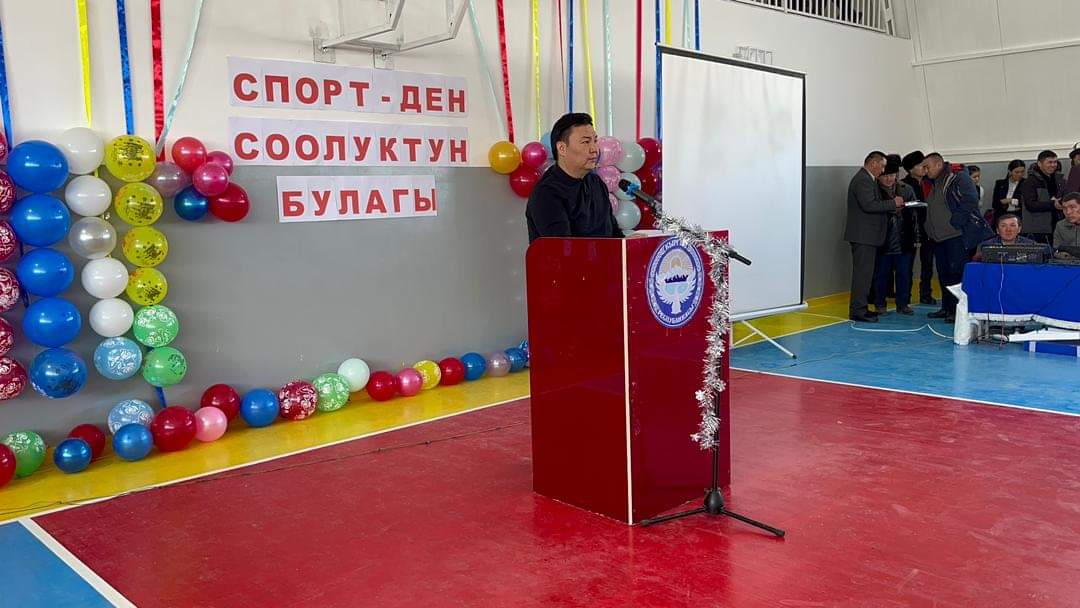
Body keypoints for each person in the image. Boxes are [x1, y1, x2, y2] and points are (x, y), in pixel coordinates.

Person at [526, 113, 623, 244]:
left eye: (595, 140)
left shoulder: (596, 183)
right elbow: (564, 248)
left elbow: (614, 235)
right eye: (585, 142)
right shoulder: (546, 193)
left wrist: (630, 243)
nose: (594, 149)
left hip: (604, 257)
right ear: (562, 148)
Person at [922, 153, 988, 323]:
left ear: (938, 164)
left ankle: (958, 310)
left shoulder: (958, 178)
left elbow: (971, 200)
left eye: (927, 167)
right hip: (939, 238)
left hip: (956, 236)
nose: (925, 170)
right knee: (944, 274)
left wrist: (956, 222)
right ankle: (947, 308)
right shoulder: (934, 182)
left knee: (956, 274)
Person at [844, 151, 905, 322]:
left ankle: (861, 307)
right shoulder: (863, 180)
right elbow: (869, 205)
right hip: (863, 236)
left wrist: (891, 206)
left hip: (867, 236)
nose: (883, 170)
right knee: (862, 275)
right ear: (873, 163)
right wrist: (893, 203)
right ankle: (858, 311)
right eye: (882, 166)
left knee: (866, 275)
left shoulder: (867, 179)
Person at [871, 155, 919, 315]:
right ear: (879, 176)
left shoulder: (906, 189)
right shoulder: (873, 190)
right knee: (881, 275)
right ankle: (880, 304)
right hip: (882, 239)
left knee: (904, 274)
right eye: (885, 175)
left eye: (892, 175)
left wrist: (917, 238)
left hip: (904, 239)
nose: (889, 179)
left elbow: (915, 215)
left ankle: (903, 304)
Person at [901, 151, 936, 305]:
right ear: (910, 169)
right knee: (907, 265)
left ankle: (926, 293)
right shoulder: (903, 184)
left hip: (929, 229)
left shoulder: (930, 182)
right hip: (910, 230)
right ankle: (905, 296)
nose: (924, 168)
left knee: (928, 264)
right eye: (920, 165)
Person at [1018, 150, 1066, 245]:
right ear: (1039, 163)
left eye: (1055, 162)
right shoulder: (1029, 182)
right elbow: (1030, 205)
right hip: (1037, 229)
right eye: (1049, 162)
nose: (1053, 165)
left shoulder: (1060, 180)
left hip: (1057, 225)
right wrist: (1053, 204)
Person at [971, 214, 1045, 261]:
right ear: (997, 230)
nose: (1008, 230)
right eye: (1003, 226)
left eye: (1012, 225)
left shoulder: (1031, 245)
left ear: (1019, 229)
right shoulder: (985, 245)